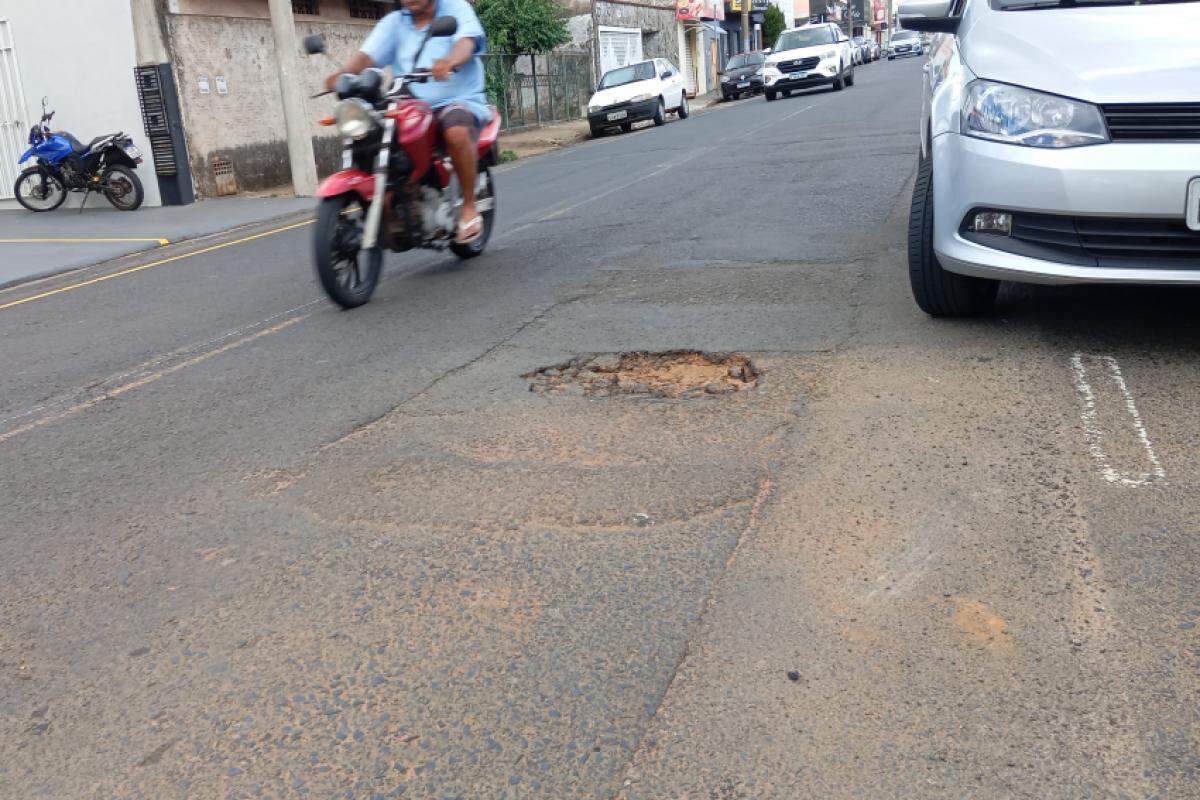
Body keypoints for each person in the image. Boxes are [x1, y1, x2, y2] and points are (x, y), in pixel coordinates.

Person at [325, 0, 491, 244]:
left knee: (455, 131)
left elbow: (466, 42)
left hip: (457, 99)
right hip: (411, 102)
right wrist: (342, 75)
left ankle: (468, 208)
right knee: (371, 131)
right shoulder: (394, 23)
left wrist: (450, 61)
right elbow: (366, 56)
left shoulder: (455, 8)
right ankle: (399, 201)